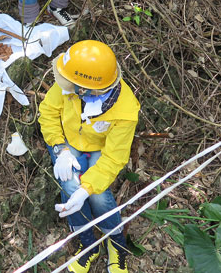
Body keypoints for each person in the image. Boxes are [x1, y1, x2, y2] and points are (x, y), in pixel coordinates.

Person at [38, 40, 140, 273]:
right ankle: (87, 245)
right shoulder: (70, 83)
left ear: (88, 89)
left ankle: (116, 243)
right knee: (70, 188)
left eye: (72, 85)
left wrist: (88, 188)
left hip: (100, 150)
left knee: (98, 195)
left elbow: (114, 158)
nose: (64, 87)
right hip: (69, 144)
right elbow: (48, 113)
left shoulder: (125, 111)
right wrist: (59, 149)